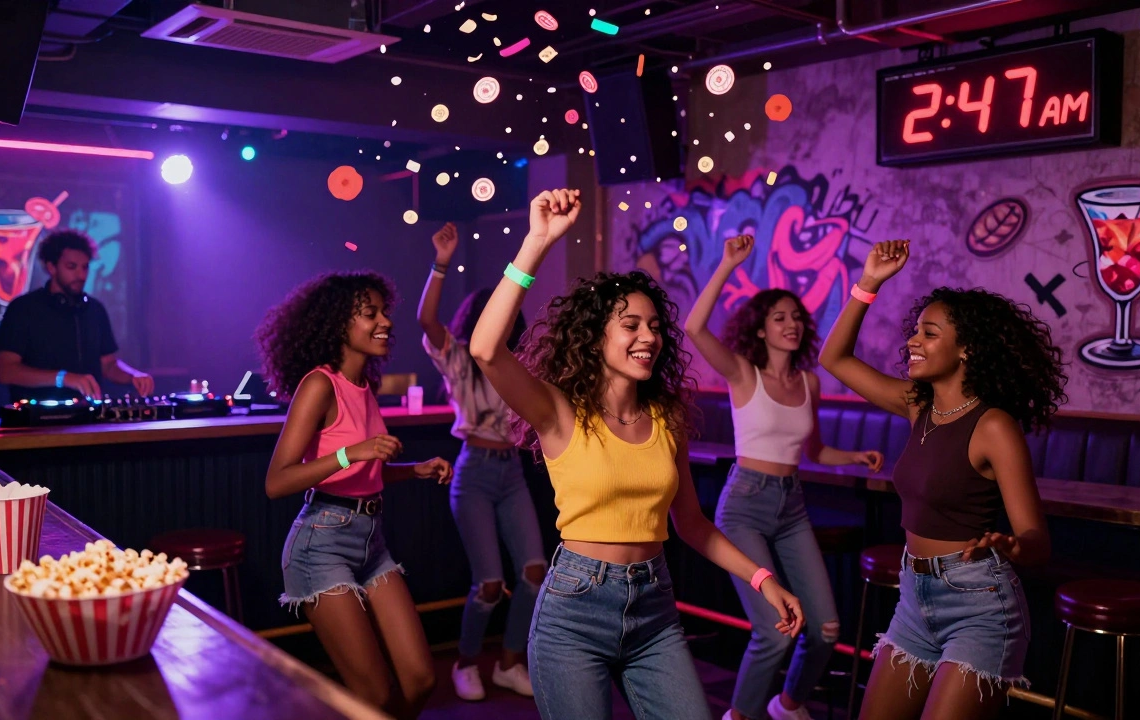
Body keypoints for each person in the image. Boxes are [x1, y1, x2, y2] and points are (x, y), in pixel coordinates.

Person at [470, 189, 805, 720]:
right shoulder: (559, 412)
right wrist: (537, 242)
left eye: (654, 326)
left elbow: (692, 523)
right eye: (631, 326)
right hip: (575, 612)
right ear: (595, 337)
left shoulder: (668, 419)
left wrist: (763, 579)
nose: (649, 336)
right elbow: (486, 349)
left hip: (653, 607)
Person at [818, 240, 1064, 720]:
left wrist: (1011, 546)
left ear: (967, 347)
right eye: (914, 331)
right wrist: (868, 284)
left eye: (928, 333)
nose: (913, 341)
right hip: (914, 597)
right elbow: (835, 360)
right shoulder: (919, 405)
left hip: (980, 604)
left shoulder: (993, 426)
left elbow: (1038, 541)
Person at [684, 234, 884, 720]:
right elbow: (694, 327)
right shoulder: (742, 373)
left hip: (791, 505)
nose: (792, 324)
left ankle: (787, 705)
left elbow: (812, 449)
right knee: (773, 630)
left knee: (827, 627)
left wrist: (855, 456)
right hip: (745, 506)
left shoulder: (809, 381)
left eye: (797, 317)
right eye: (780, 318)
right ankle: (740, 716)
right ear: (759, 330)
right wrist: (728, 263)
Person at [257, 270, 454, 719]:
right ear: (338, 325)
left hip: (371, 540)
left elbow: (366, 473)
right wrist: (352, 453)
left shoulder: (366, 387)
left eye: (385, 312)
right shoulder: (318, 385)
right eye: (370, 314)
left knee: (421, 679)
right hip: (320, 543)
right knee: (374, 694)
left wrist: (413, 471)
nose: (385, 321)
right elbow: (278, 481)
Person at [416, 221, 544, 701]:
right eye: (497, 310)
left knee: (534, 573)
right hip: (473, 472)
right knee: (489, 584)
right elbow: (427, 322)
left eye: (511, 312)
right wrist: (442, 262)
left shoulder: (521, 364)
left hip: (512, 472)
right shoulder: (461, 357)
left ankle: (509, 664)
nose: (505, 319)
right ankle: (467, 662)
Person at [0, 229, 152, 401]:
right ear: (51, 267)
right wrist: (64, 378)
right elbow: (7, 371)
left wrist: (134, 376)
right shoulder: (23, 309)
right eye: (71, 267)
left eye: (85, 267)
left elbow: (108, 364)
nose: (81, 275)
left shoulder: (94, 309)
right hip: (36, 422)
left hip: (89, 419)